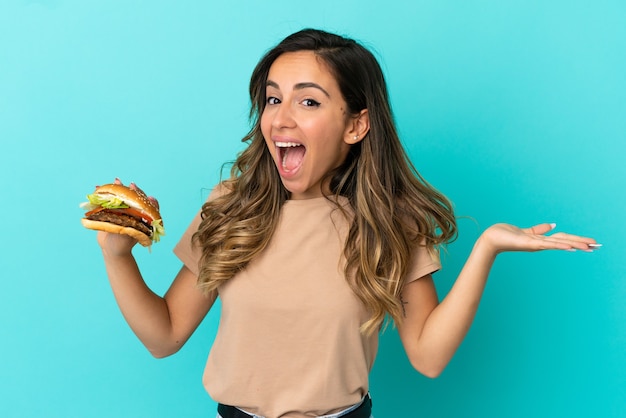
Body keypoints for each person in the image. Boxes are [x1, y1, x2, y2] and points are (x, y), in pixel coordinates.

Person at [93, 29, 598, 418]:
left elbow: (427, 356)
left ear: (356, 124)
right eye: (273, 98)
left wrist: (487, 247)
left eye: (308, 101)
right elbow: (165, 336)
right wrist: (116, 256)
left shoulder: (393, 222)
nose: (281, 118)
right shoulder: (231, 208)